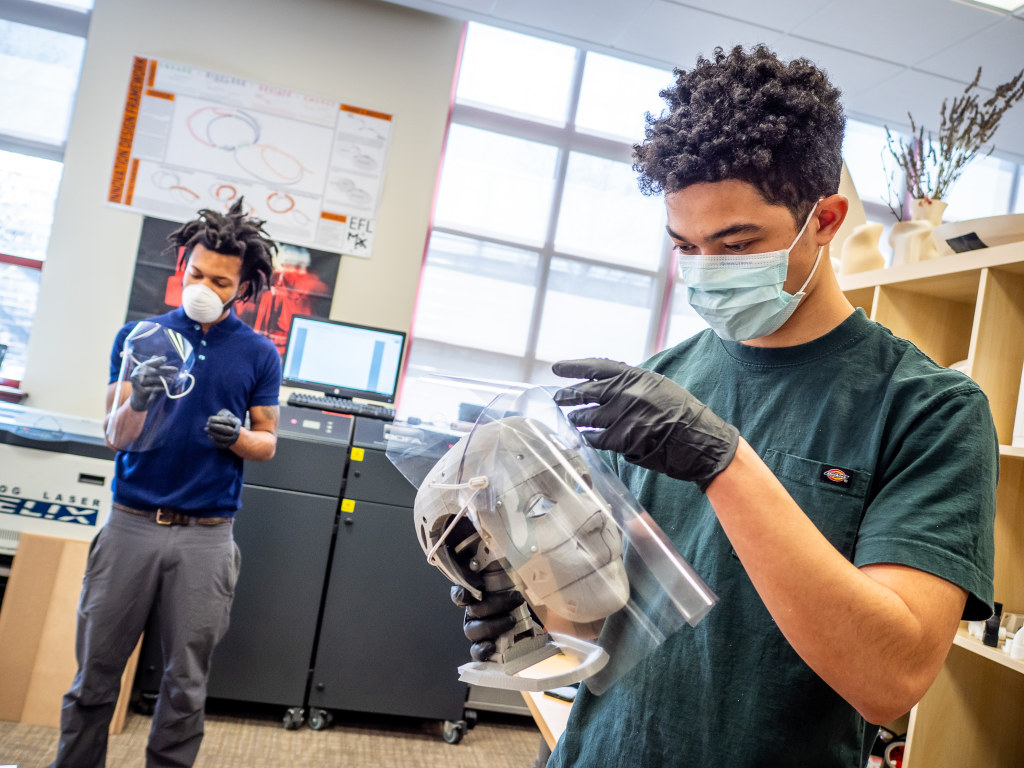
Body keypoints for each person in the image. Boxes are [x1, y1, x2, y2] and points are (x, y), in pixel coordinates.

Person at [459, 45, 997, 767]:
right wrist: (522, 602)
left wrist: (725, 462)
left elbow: (890, 679)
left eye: (737, 244)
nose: (708, 271)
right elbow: (594, 625)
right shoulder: (655, 388)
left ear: (827, 219)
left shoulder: (929, 413)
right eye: (686, 245)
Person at [49, 199, 282, 768]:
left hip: (206, 535)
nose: (201, 285)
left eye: (219, 280)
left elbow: (267, 441)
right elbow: (115, 435)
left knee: (186, 686)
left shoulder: (258, 353)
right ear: (184, 267)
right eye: (195, 273)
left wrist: (236, 439)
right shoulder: (139, 335)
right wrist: (141, 396)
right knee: (95, 677)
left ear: (243, 288)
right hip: (131, 524)